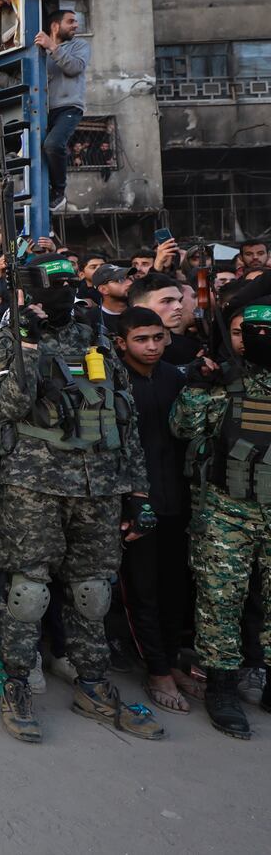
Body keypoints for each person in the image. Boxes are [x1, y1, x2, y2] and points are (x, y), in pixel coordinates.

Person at [0, 255, 161, 743]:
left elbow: (124, 420)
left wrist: (138, 491)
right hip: (35, 486)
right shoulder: (10, 340)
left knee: (93, 591)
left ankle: (93, 682)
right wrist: (26, 341)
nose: (65, 292)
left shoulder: (97, 339)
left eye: (70, 283)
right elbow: (8, 405)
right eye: (55, 285)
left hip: (100, 484)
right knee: (27, 592)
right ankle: (17, 684)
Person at [170, 293, 271, 738]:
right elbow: (184, 427)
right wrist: (199, 383)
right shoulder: (223, 381)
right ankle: (223, 687)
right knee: (220, 601)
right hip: (227, 508)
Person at [108, 308, 193, 715]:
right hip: (136, 506)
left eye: (158, 338)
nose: (152, 346)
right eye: (142, 339)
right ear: (122, 343)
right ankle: (156, 669)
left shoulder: (176, 378)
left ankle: (174, 660)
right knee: (141, 589)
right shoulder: (111, 383)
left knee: (176, 586)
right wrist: (129, 502)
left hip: (177, 501)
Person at [36, 8, 89, 211]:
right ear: (55, 26)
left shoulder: (79, 45)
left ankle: (59, 191)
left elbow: (75, 67)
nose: (75, 25)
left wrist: (52, 46)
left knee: (53, 145)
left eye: (76, 21)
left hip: (69, 107)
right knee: (36, 152)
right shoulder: (40, 51)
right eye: (71, 21)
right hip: (42, 111)